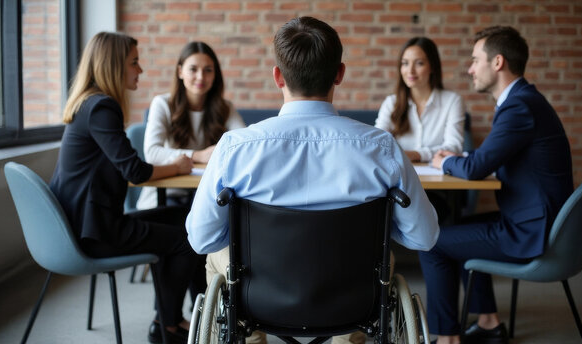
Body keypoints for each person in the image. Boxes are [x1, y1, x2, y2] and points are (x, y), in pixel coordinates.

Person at [186, 17, 439, 344]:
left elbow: (201, 239)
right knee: (380, 259)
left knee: (216, 257)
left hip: (261, 297)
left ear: (278, 76)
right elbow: (425, 237)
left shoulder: (235, 149)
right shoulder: (382, 149)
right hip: (351, 301)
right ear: (339, 73)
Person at [49, 32, 204, 344]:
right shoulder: (102, 107)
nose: (140, 70)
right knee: (188, 238)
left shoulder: (87, 104)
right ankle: (169, 326)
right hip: (95, 233)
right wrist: (178, 165)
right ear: (114, 65)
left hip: (83, 226)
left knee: (185, 218)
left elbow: (128, 169)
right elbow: (134, 169)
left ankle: (180, 318)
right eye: (134, 62)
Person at [424, 26, 574, 344]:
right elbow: (489, 156)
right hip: (535, 221)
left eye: (475, 60)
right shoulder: (524, 101)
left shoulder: (518, 106)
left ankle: (447, 339)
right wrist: (461, 158)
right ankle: (490, 325)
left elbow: (478, 167)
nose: (469, 68)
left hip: (532, 231)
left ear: (497, 63)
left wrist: (444, 162)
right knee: (460, 229)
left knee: (433, 243)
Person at [136, 41, 245, 210]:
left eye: (208, 70)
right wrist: (198, 155)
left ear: (215, 75)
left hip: (205, 197)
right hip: (165, 197)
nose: (201, 77)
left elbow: (244, 144)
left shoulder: (225, 108)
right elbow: (152, 154)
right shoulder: (162, 104)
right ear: (180, 72)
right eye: (193, 69)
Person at [375, 36, 464, 163]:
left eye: (419, 63)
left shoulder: (452, 101)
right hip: (398, 175)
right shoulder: (391, 103)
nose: (410, 71)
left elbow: (454, 147)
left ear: (432, 67)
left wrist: (415, 154)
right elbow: (376, 142)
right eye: (405, 63)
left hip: (439, 177)